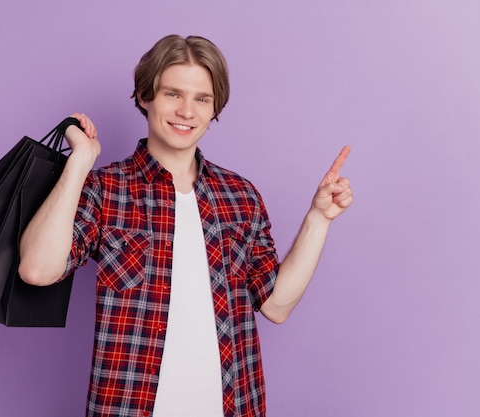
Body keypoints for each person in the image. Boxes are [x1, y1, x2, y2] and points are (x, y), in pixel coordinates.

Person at [18, 34, 353, 417]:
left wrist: (318, 219)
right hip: (129, 407)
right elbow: (37, 269)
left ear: (215, 108)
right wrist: (79, 163)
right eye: (173, 94)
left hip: (232, 406)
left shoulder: (240, 196)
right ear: (145, 96)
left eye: (202, 99)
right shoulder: (105, 189)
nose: (187, 112)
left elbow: (275, 305)